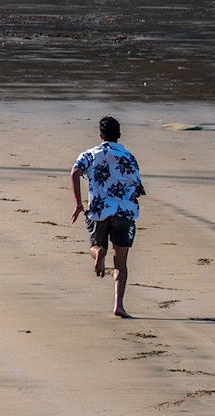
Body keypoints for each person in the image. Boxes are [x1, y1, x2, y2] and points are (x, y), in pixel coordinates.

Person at [69, 116, 145, 318]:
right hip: (123, 212)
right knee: (121, 263)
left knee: (95, 246)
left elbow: (75, 172)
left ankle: (98, 253)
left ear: (100, 135)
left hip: (99, 210)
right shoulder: (129, 157)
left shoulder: (90, 154)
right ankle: (118, 306)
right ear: (118, 135)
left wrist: (78, 203)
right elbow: (137, 187)